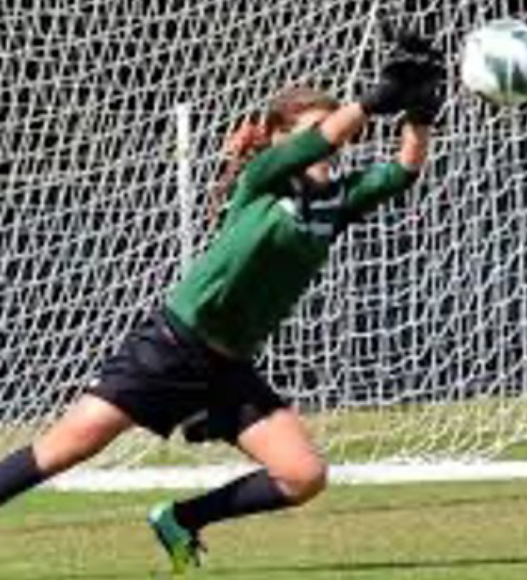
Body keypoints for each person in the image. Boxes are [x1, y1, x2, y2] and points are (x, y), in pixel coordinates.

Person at [0, 36, 444, 573]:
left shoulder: (336, 202)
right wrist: (375, 99)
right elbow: (319, 141)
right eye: (310, 137)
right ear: (281, 140)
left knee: (304, 475)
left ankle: (181, 521)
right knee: (66, 449)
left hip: (227, 368)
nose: (330, 150)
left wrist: (418, 111)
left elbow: (403, 172)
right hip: (170, 348)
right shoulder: (263, 180)